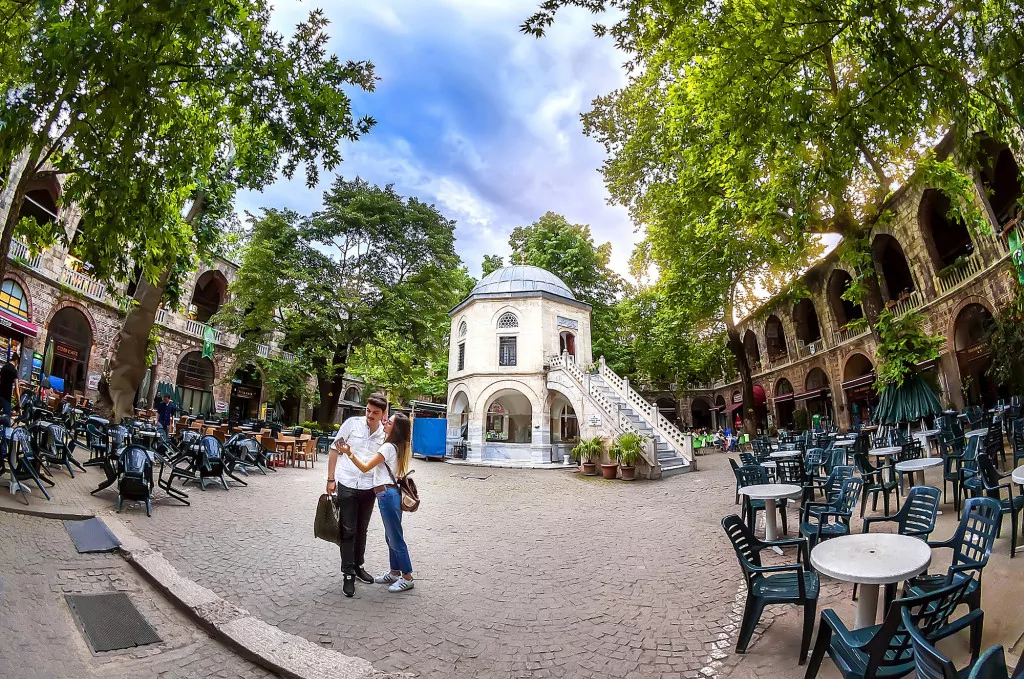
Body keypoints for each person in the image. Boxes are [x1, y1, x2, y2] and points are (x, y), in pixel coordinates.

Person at [340, 412, 415, 593]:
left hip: (387, 495)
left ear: (394, 429)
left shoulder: (388, 447)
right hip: (389, 493)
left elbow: (365, 467)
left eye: (388, 422)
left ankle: (407, 576)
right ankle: (394, 572)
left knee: (395, 538)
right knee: (391, 536)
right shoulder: (398, 445)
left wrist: (349, 453)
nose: (384, 424)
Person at [326, 393, 388, 597]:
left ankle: (359, 566)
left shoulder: (383, 434)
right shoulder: (352, 424)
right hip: (347, 482)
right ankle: (348, 573)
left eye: (375, 413)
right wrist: (330, 479)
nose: (370, 415)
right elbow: (335, 451)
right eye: (368, 411)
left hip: (369, 487)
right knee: (348, 528)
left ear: (383, 414)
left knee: (362, 529)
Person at [0, 352, 21, 418]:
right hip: (6, 398)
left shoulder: (4, 367)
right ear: (16, 360)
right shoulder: (14, 371)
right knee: (7, 422)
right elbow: (17, 391)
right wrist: (19, 407)